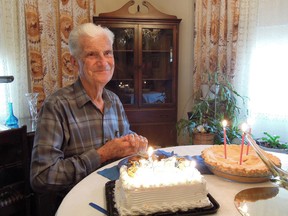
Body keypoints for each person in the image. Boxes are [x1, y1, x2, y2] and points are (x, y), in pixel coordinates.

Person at [30, 23, 148, 195]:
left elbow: (122, 146)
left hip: (120, 197)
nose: (103, 62)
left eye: (107, 53)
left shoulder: (114, 101)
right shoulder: (56, 106)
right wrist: (101, 155)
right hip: (77, 203)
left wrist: (134, 143)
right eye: (92, 54)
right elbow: (41, 177)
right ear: (74, 62)